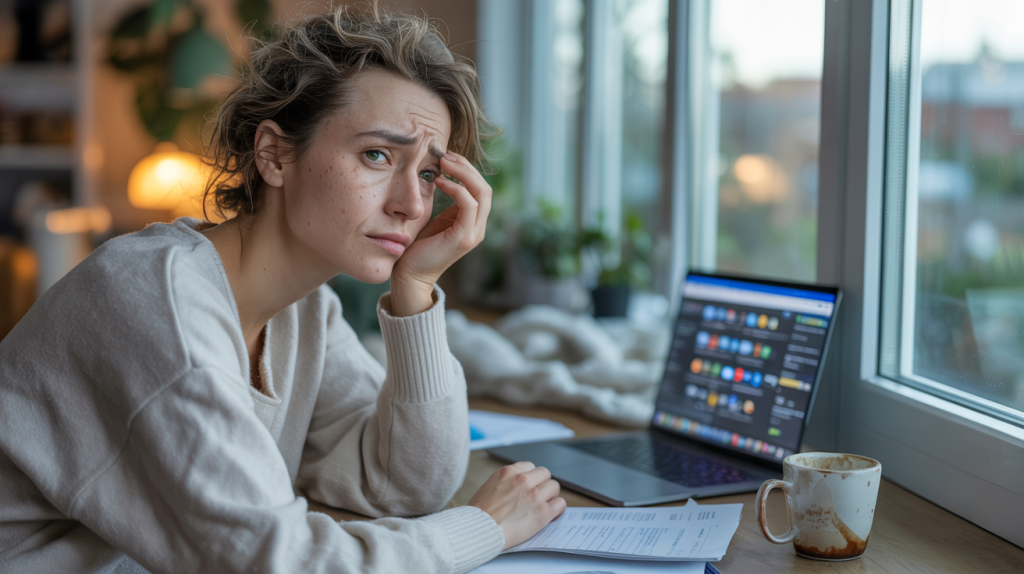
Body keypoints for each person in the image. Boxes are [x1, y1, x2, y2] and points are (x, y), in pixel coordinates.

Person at [0, 5, 565, 573]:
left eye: (425, 173)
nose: (413, 205)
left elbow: (404, 484)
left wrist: (416, 287)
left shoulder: (303, 307)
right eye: (376, 154)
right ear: (274, 154)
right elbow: (277, 563)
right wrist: (485, 527)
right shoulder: (159, 305)